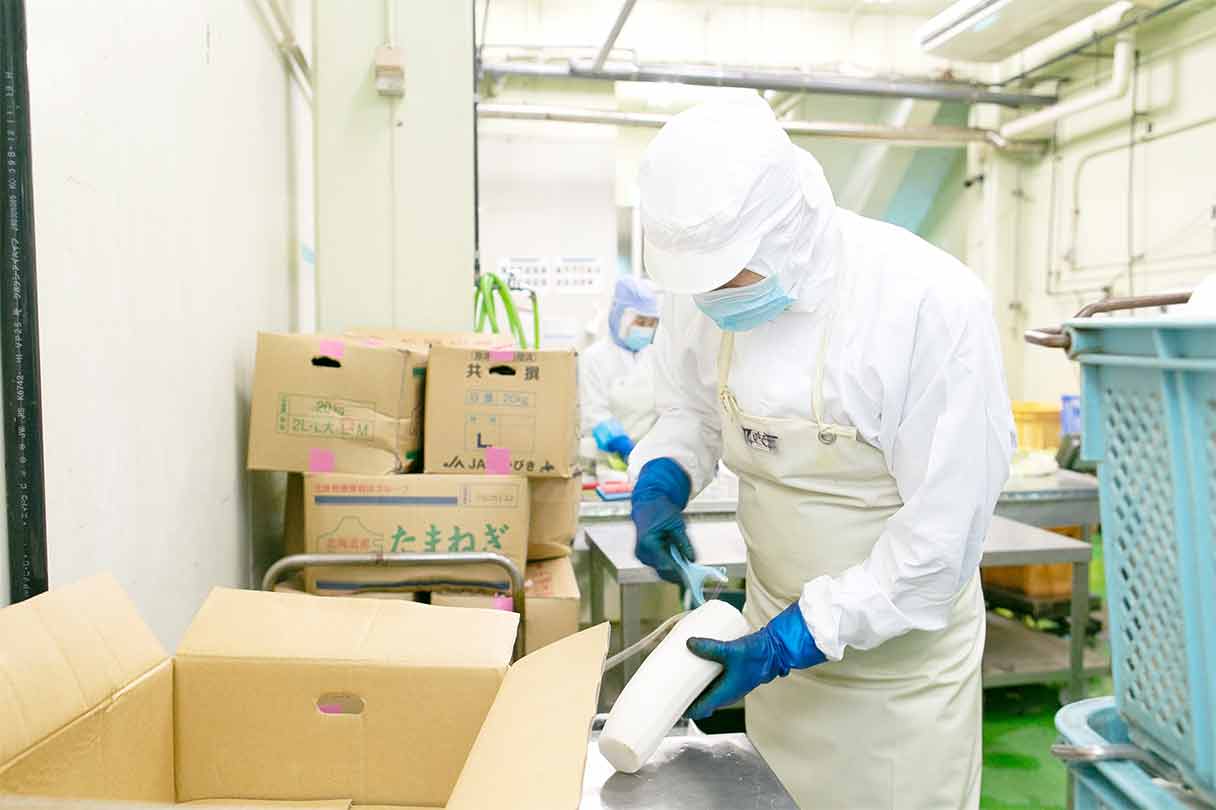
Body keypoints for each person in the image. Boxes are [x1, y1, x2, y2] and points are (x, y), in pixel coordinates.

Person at [627, 95, 1015, 809]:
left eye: (730, 276)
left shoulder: (927, 304)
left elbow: (939, 543)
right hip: (772, 654)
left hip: (896, 685)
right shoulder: (701, 289)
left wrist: (795, 637)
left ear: (784, 231)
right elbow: (690, 409)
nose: (713, 298)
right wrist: (664, 479)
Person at [579, 276, 661, 461]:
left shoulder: (655, 356)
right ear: (619, 317)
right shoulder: (594, 358)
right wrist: (623, 446)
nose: (645, 329)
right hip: (606, 458)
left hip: (648, 456)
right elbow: (594, 414)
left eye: (651, 324)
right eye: (640, 322)